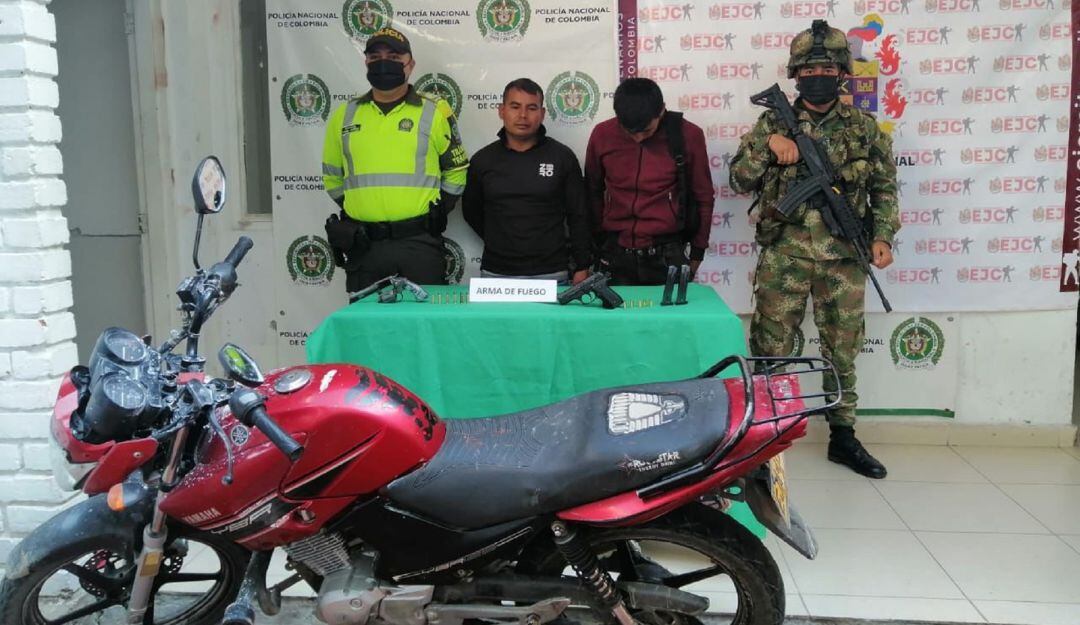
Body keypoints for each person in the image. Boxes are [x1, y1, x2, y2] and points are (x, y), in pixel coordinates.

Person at [729, 20, 899, 479]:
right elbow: (738, 179)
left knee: (841, 350)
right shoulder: (772, 121)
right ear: (796, 73)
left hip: (844, 256)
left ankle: (842, 436)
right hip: (784, 254)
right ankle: (762, 437)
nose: (818, 73)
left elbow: (884, 189)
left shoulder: (864, 129)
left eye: (826, 65)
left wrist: (882, 237)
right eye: (809, 67)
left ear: (842, 71)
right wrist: (769, 145)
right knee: (770, 349)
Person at [321, 27, 469, 297]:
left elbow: (456, 169)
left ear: (410, 65)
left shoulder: (435, 111)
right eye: (375, 56)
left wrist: (437, 211)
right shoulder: (344, 115)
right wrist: (361, 208)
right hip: (364, 246)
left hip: (419, 243)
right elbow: (332, 176)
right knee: (366, 333)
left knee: (424, 329)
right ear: (366, 62)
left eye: (393, 55)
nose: (383, 62)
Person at [585, 78, 714, 285]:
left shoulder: (688, 135)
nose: (638, 138)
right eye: (629, 132)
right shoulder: (602, 134)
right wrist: (597, 241)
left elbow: (704, 196)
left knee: (671, 319)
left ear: (661, 110)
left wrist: (698, 252)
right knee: (615, 317)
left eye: (646, 130)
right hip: (614, 251)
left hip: (667, 254)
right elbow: (592, 190)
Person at [462, 78, 590, 283]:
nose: (523, 115)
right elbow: (471, 212)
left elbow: (579, 215)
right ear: (501, 110)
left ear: (542, 113)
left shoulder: (562, 157)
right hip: (496, 273)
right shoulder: (483, 160)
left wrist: (583, 265)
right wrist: (501, 241)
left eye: (531, 108)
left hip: (551, 272)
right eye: (515, 107)